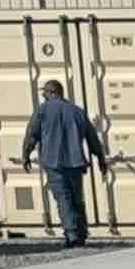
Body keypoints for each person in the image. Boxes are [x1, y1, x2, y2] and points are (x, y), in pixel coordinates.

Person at [19, 79, 105, 244]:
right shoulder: (77, 111)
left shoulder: (42, 111)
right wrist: (100, 157)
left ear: (51, 92)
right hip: (75, 163)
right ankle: (81, 233)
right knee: (76, 198)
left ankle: (71, 233)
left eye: (44, 92)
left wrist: (25, 155)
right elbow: (92, 137)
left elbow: (31, 135)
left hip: (54, 163)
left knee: (63, 197)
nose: (43, 95)